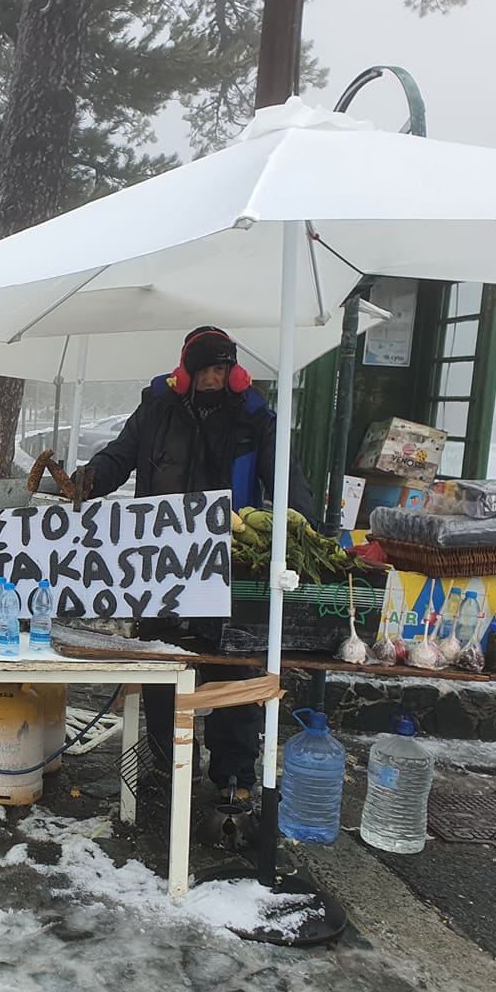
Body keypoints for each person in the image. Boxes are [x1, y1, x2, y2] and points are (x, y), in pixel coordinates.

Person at [77, 326, 314, 807]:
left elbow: (287, 481)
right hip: (160, 562)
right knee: (165, 667)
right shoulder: (157, 408)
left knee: (234, 671)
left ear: (235, 372)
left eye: (222, 369)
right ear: (185, 371)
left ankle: (233, 774)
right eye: (205, 369)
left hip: (230, 565)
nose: (213, 379)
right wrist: (90, 478)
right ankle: (169, 761)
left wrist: (305, 529)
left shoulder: (255, 418)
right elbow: (120, 456)